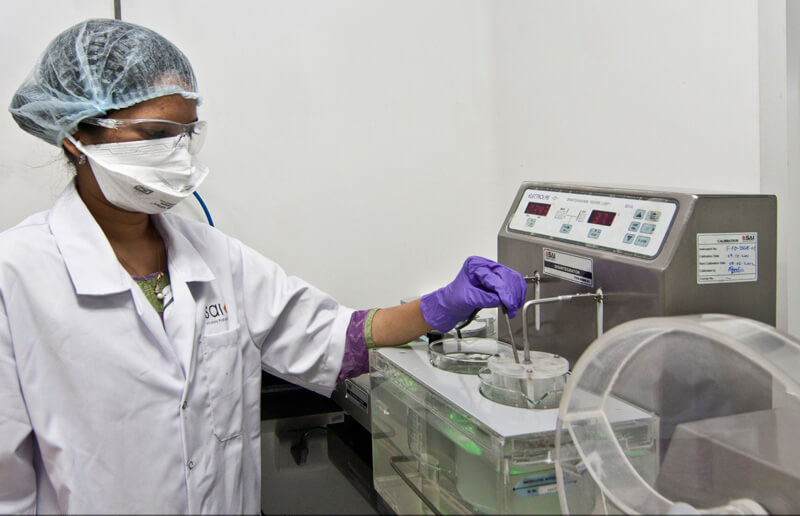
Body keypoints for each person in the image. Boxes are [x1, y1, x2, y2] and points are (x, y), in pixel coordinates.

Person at [0, 19, 526, 514]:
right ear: (75, 134)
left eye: (185, 133)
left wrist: (440, 306)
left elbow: (332, 338)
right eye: (154, 133)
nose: (176, 154)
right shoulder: (16, 274)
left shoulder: (214, 255)